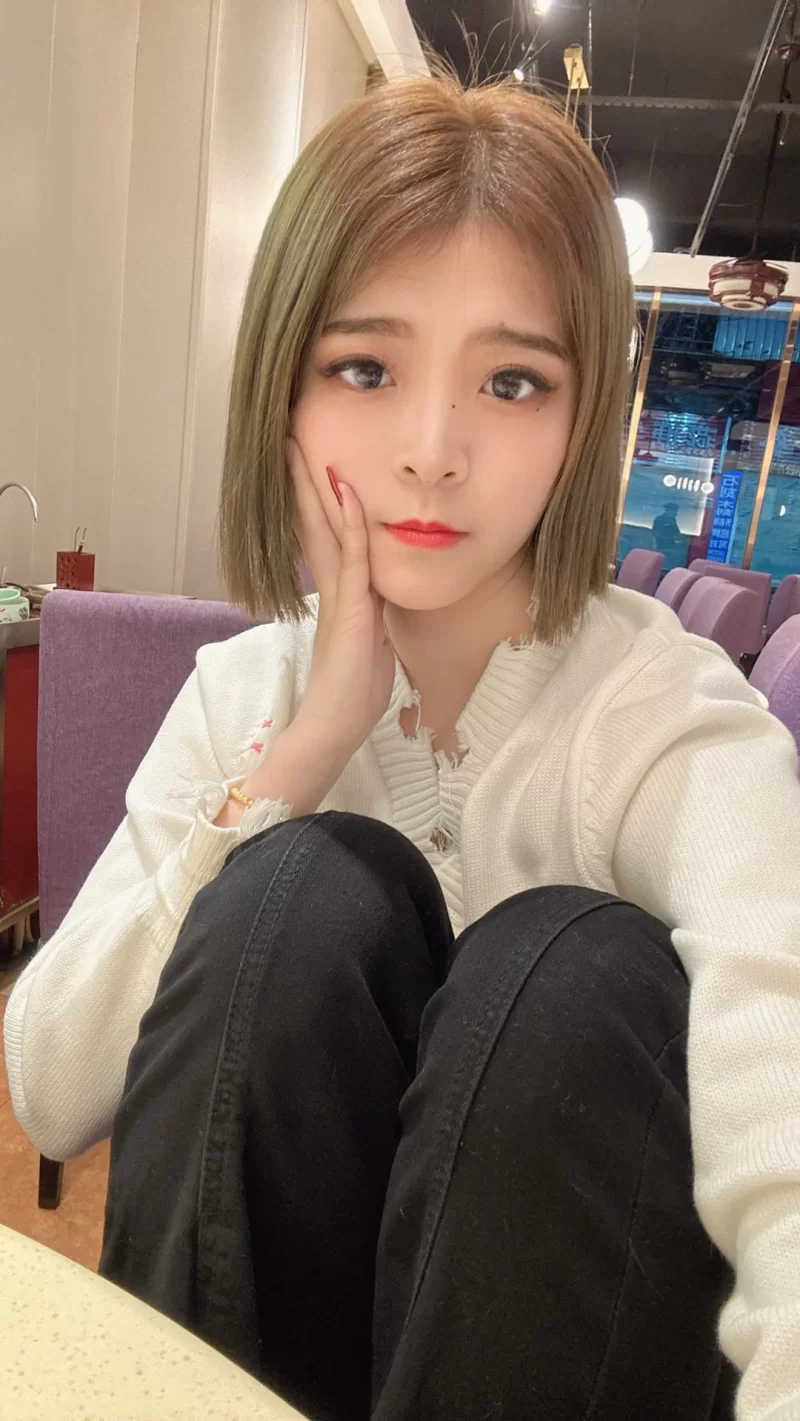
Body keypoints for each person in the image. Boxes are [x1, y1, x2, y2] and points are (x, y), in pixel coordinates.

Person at [5, 71, 800, 1421]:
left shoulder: (659, 716)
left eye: (512, 381)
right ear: (285, 394)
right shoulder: (247, 692)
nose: (433, 452)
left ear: (579, 424)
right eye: (366, 368)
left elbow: (773, 1039)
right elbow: (49, 1083)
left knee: (576, 969)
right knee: (295, 891)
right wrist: (302, 752)